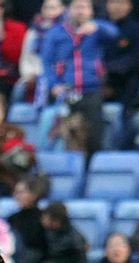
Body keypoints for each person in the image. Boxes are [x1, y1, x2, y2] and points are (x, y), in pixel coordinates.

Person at [39, 0, 122, 158]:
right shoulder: (55, 33)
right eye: (77, 7)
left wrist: (97, 25)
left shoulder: (98, 30)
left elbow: (115, 33)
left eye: (85, 7)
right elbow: (47, 63)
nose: (81, 11)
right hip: (66, 93)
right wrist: (54, 85)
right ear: (68, 10)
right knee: (68, 139)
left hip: (91, 91)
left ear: (91, 11)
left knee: (94, 138)